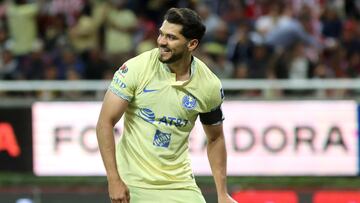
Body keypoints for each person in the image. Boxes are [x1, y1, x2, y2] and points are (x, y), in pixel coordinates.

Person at [96, 7, 236, 203]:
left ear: (192, 44)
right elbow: (105, 122)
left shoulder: (209, 86)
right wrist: (114, 179)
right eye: (161, 34)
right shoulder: (136, 68)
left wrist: (222, 194)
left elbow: (216, 138)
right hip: (133, 183)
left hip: (180, 185)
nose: (161, 41)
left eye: (171, 37)